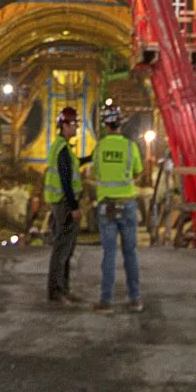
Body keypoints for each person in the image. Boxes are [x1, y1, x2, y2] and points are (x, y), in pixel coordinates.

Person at [90, 103, 144, 312]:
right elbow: (138, 172)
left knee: (109, 253)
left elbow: (96, 172)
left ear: (105, 125)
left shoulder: (100, 147)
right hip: (128, 204)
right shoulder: (131, 147)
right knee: (130, 253)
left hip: (107, 207)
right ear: (120, 124)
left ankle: (106, 301)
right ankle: (135, 299)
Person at [43, 104, 83, 303]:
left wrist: (90, 158)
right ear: (65, 126)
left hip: (61, 203)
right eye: (74, 124)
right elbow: (66, 181)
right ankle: (56, 292)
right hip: (65, 205)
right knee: (62, 249)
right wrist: (74, 206)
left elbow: (72, 168)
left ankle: (64, 289)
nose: (77, 128)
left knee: (66, 249)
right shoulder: (63, 151)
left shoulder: (61, 147)